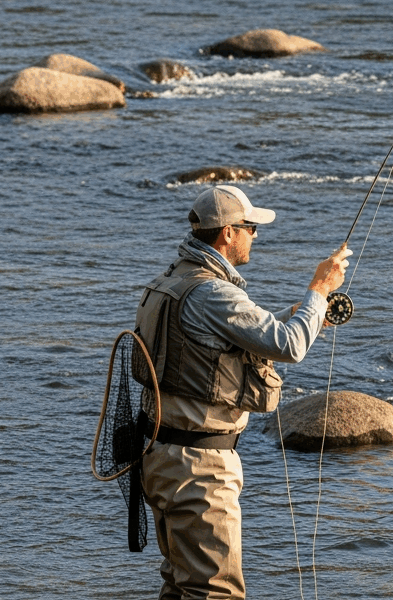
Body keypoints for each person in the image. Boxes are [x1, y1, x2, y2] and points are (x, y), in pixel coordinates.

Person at [134, 184, 352, 599]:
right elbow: (289, 345)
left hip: (160, 457)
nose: (256, 234)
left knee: (180, 586)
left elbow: (246, 331)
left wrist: (310, 313)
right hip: (199, 467)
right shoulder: (214, 293)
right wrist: (319, 289)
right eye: (250, 227)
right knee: (215, 592)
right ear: (227, 233)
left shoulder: (170, 283)